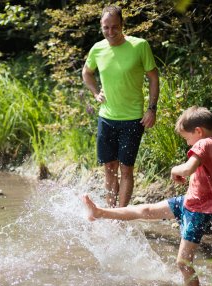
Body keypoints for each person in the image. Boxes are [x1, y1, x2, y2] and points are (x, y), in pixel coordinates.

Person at [81, 106, 212, 286]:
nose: (188, 144)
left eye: (187, 138)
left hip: (198, 212)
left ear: (198, 131)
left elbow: (187, 169)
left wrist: (174, 170)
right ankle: (99, 212)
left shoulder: (203, 144)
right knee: (145, 210)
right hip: (188, 201)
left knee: (183, 263)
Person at [82, 4, 160, 208]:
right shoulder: (98, 48)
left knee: (126, 169)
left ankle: (122, 215)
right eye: (106, 27)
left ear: (122, 25)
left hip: (133, 119)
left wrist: (152, 108)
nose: (110, 32)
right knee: (109, 167)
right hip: (106, 118)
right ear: (101, 26)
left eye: (114, 27)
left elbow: (153, 77)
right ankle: (109, 211)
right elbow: (86, 72)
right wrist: (95, 92)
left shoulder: (139, 46)